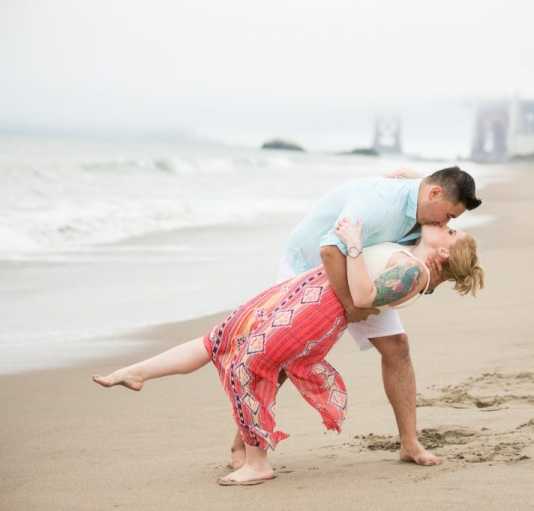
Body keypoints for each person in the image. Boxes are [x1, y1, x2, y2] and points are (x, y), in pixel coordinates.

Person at [93, 221, 485, 486]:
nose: (444, 224)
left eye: (451, 230)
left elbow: (362, 298)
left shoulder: (414, 274)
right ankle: (138, 372)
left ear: (446, 253)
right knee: (221, 337)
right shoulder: (414, 253)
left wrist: (351, 244)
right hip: (306, 290)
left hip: (318, 310)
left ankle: (257, 463)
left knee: (253, 365)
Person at [229, 166, 483, 469]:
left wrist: (429, 281)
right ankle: (241, 444)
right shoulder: (378, 204)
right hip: (310, 269)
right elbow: (329, 251)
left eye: (451, 222)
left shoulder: (425, 206)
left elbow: (422, 263)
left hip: (366, 271)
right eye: (449, 216)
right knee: (281, 359)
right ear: (434, 194)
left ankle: (409, 444)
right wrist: (351, 306)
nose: (445, 223)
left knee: (397, 348)